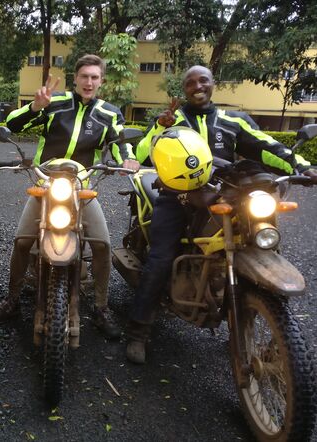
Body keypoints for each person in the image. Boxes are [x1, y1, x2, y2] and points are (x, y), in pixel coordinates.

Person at [126, 65, 317, 364]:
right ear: (184, 88)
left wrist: (301, 167)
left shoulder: (233, 120)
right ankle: (139, 330)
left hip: (226, 195)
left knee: (258, 239)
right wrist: (160, 127)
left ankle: (257, 315)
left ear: (213, 84)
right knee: (161, 257)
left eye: (203, 80)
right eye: (190, 82)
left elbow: (266, 147)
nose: (197, 86)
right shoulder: (173, 120)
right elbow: (141, 156)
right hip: (177, 197)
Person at [0, 54, 140, 338]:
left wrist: (128, 160)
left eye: (95, 77)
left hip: (82, 186)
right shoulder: (54, 103)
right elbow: (14, 124)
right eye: (85, 76)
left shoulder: (109, 113)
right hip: (47, 182)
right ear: (75, 79)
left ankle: (100, 308)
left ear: (101, 81)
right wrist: (34, 107)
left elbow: (120, 144)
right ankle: (12, 300)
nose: (89, 82)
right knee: (22, 241)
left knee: (103, 244)